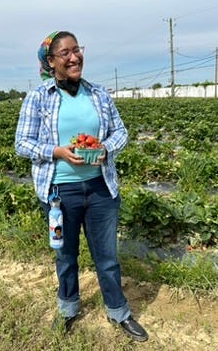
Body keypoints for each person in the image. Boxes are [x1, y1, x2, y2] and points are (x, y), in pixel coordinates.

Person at [14, 31, 148, 342]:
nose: (74, 57)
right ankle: (68, 309)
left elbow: (121, 133)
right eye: (65, 53)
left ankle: (119, 312)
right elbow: (22, 143)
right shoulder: (38, 97)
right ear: (51, 61)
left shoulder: (99, 94)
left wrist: (105, 149)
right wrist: (56, 151)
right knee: (65, 256)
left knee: (107, 257)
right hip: (60, 193)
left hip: (101, 188)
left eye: (77, 50)